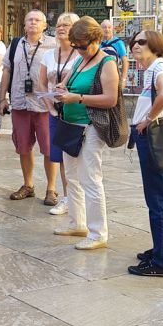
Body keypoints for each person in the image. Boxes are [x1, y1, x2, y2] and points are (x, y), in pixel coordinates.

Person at [52, 16, 118, 250]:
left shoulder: (106, 62)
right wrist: (61, 89)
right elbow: (66, 83)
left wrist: (77, 98)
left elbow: (111, 99)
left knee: (90, 179)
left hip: (90, 127)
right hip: (71, 125)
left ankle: (98, 232)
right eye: (75, 46)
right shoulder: (80, 61)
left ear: (96, 40)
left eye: (82, 45)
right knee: (71, 177)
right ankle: (77, 223)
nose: (78, 50)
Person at [127, 30, 163, 276]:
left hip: (152, 137)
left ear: (155, 45)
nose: (135, 45)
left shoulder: (158, 68)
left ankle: (160, 263)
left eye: (141, 42)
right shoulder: (159, 67)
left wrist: (146, 120)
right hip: (155, 136)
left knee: (157, 200)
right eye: (133, 42)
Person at [0, 10, 59, 206]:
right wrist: (2, 98)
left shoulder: (53, 44)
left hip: (44, 105)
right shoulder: (15, 44)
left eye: (37, 20)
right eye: (29, 20)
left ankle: (51, 189)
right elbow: (6, 69)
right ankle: (28, 185)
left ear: (44, 25)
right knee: (23, 147)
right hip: (20, 102)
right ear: (24, 24)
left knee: (49, 149)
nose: (33, 23)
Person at [38, 13, 80, 216]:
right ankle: (66, 197)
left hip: (77, 111)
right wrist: (50, 108)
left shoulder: (81, 54)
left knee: (77, 156)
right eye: (59, 25)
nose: (61, 28)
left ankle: (77, 199)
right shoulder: (48, 55)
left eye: (67, 25)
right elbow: (41, 83)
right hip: (56, 111)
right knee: (61, 156)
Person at [100, 19, 129, 87]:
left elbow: (124, 61)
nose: (107, 29)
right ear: (100, 29)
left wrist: (123, 79)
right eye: (104, 27)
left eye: (109, 27)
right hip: (99, 76)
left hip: (114, 76)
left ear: (112, 29)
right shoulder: (97, 42)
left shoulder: (118, 43)